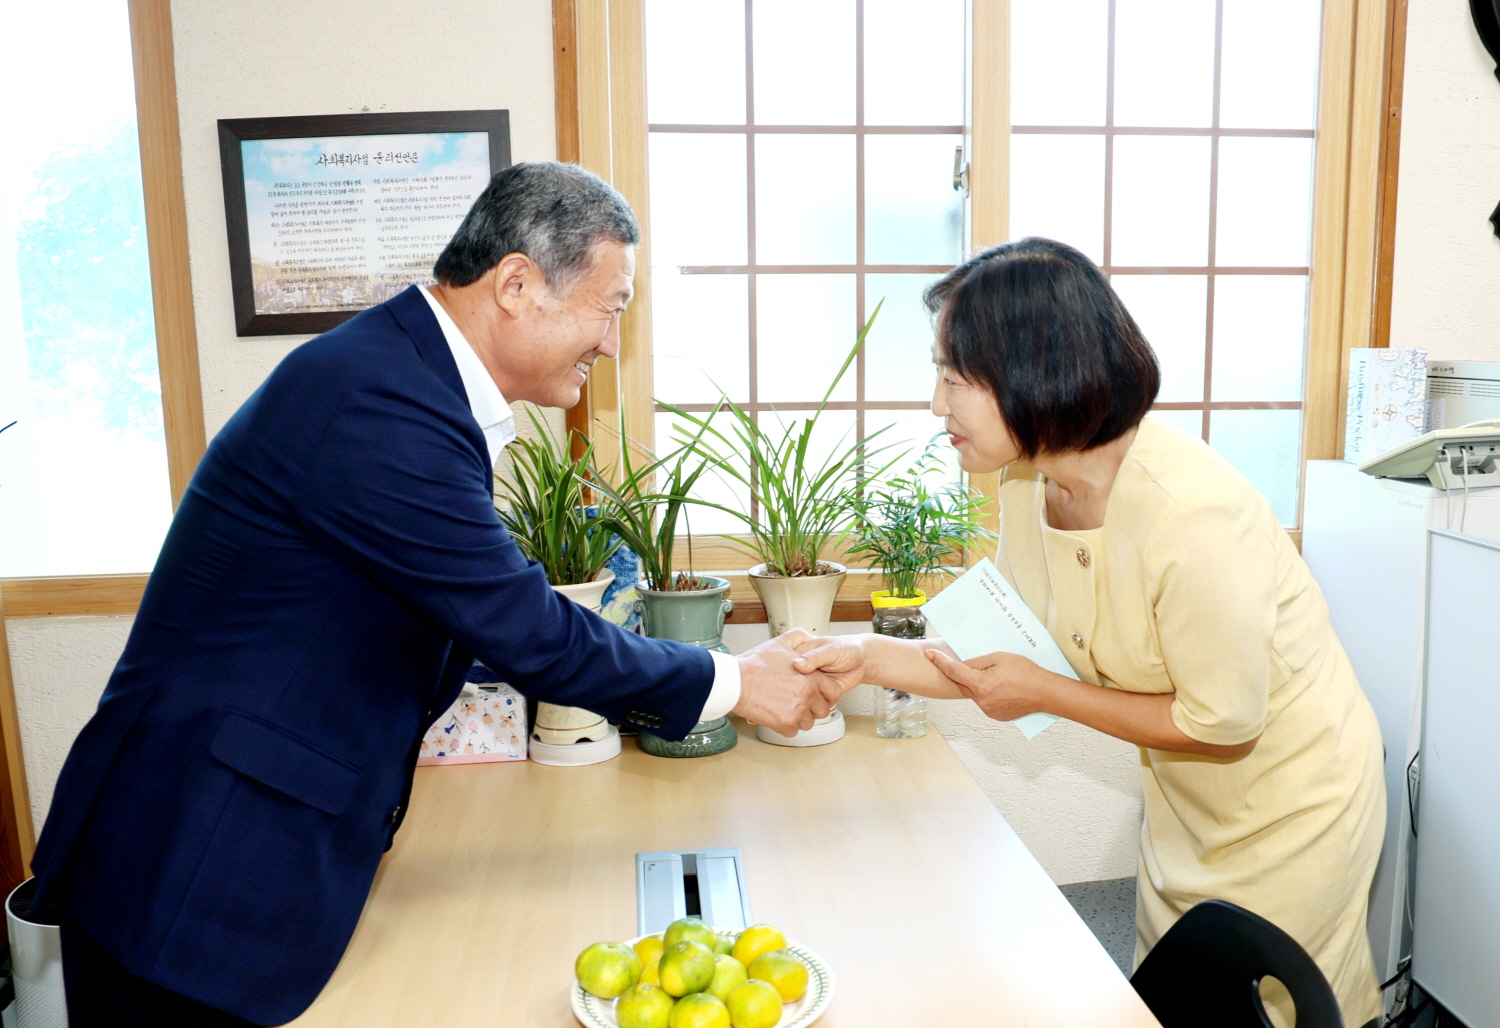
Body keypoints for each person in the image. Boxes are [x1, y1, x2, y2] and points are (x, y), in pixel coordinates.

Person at [32, 162, 845, 1027]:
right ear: (519, 284)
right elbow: (522, 626)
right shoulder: (378, 400)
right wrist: (735, 682)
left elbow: (465, 611)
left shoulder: (403, 380)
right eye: (611, 307)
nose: (612, 342)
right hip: (195, 867)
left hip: (233, 844)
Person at [792, 237, 1387, 1027]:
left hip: (1296, 801)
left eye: (953, 378)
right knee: (1175, 998)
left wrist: (1047, 693)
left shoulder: (1191, 514)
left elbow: (1223, 722)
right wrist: (865, 658)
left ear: (1032, 373)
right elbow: (998, 660)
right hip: (1188, 794)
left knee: (1273, 1008)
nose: (937, 405)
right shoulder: (1027, 483)